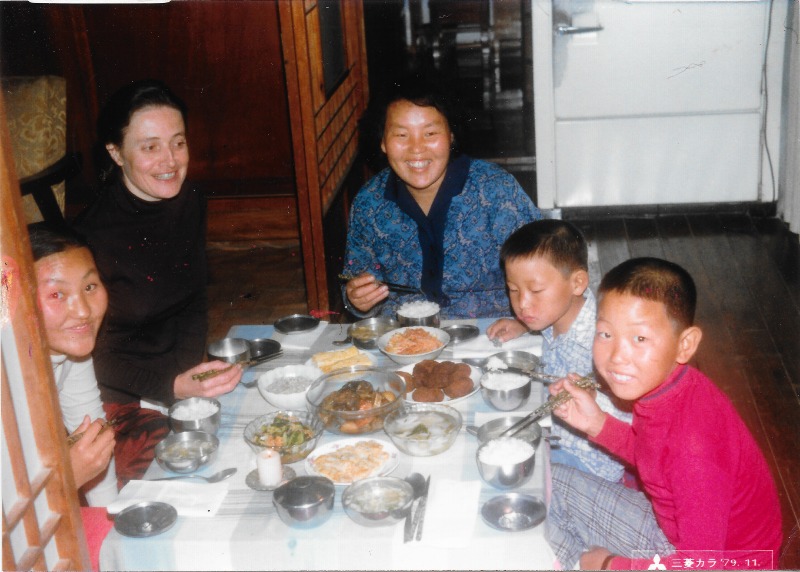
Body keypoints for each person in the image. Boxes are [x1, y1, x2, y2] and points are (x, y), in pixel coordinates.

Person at [546, 257, 782, 570]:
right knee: (551, 481)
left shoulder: (694, 448)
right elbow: (656, 455)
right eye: (605, 334)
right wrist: (597, 423)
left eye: (640, 339)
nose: (617, 356)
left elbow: (701, 563)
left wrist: (610, 565)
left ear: (685, 345)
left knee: (553, 495)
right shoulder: (672, 387)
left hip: (718, 562)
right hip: (687, 534)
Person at [73, 80, 241, 484]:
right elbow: (89, 357)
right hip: (119, 394)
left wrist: (189, 379)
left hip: (176, 379)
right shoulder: (90, 238)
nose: (170, 160)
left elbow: (193, 300)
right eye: (150, 147)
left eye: (178, 143)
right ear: (116, 153)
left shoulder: (190, 199)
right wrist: (171, 388)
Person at [342, 76, 542, 319]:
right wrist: (358, 299)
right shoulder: (369, 202)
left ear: (451, 135)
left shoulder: (496, 190)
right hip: (403, 335)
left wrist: (523, 322)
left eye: (430, 133)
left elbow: (546, 267)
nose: (417, 148)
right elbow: (356, 279)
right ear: (383, 142)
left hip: (491, 331)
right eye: (401, 135)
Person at [486, 220, 632, 482]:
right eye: (513, 290)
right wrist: (524, 324)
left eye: (536, 290)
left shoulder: (604, 342)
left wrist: (595, 400)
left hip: (589, 462)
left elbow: (632, 423)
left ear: (577, 283)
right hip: (553, 433)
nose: (522, 304)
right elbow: (534, 311)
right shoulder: (553, 313)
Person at [29, 222, 117, 506]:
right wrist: (67, 479)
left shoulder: (69, 347)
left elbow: (91, 433)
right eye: (57, 294)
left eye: (89, 287)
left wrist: (109, 517)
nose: (83, 311)